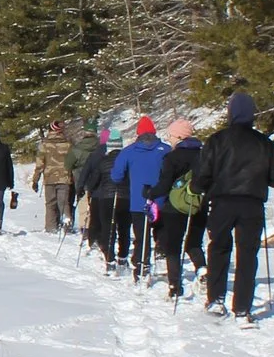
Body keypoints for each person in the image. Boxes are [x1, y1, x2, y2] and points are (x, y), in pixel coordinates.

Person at [197, 92, 274, 322]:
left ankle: (216, 299)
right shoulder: (264, 143)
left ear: (231, 113)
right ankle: (242, 307)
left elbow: (202, 174)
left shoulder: (217, 140)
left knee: (219, 248)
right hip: (252, 203)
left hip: (222, 202)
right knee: (248, 254)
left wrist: (201, 188)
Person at [108, 115, 175, 283]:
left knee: (141, 236)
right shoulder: (166, 150)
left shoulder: (129, 151)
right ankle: (161, 256)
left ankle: (141, 266)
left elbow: (116, 176)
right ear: (154, 131)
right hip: (161, 200)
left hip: (139, 202)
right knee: (160, 231)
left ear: (138, 133)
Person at [150, 117, 206, 299]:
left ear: (179, 136)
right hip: (198, 205)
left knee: (173, 246)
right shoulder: (204, 156)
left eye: (171, 136)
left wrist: (150, 193)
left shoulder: (172, 157)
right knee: (194, 243)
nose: (169, 139)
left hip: (174, 208)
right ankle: (202, 270)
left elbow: (164, 184)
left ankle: (175, 286)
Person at [77, 122, 119, 262]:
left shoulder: (95, 154)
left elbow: (86, 171)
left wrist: (82, 186)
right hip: (112, 192)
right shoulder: (116, 155)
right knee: (107, 220)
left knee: (95, 217)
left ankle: (93, 239)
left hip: (96, 191)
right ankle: (104, 241)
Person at [33, 121, 76, 233]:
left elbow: (39, 164)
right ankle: (67, 223)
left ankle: (51, 227)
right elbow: (73, 162)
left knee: (50, 203)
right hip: (64, 177)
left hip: (49, 178)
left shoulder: (44, 144)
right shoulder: (68, 144)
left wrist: (35, 179)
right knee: (64, 202)